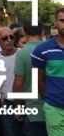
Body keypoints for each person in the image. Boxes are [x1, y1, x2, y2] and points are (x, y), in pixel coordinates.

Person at [32, 7, 64, 135]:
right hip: (55, 109)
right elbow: (38, 80)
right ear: (55, 23)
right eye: (62, 20)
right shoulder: (42, 50)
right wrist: (50, 99)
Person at [14, 23, 46, 135]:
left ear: (24, 32)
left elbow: (18, 84)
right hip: (56, 108)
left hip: (34, 111)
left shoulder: (22, 53)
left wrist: (18, 107)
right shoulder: (51, 50)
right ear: (42, 32)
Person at [0, 26, 21, 135]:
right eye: (4, 38)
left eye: (11, 37)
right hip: (7, 103)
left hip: (25, 101)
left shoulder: (21, 54)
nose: (9, 40)